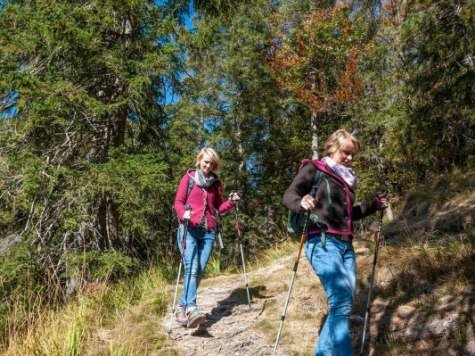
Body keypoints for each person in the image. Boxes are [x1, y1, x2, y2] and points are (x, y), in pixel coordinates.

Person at [283, 129, 388, 355]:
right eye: (346, 153)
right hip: (321, 243)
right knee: (340, 300)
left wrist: (374, 204)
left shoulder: (347, 182)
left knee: (344, 302)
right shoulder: (315, 169)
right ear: (332, 148)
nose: (350, 159)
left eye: (353, 155)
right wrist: (302, 201)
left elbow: (350, 214)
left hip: (346, 247)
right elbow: (289, 194)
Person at [174, 147, 240, 328]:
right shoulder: (189, 178)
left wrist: (232, 202)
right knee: (192, 267)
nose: (208, 166)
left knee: (199, 271)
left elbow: (218, 207)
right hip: (189, 229)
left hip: (209, 232)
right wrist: (183, 214)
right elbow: (178, 202)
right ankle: (192, 309)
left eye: (212, 163)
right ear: (199, 160)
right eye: (206, 162)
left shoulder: (215, 183)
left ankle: (181, 306)